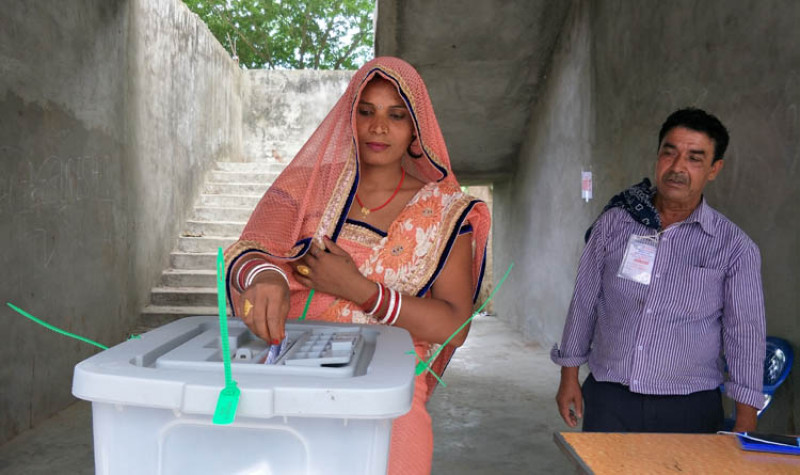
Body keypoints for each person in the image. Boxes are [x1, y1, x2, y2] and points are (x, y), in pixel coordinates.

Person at [224, 56, 491, 474]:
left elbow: (454, 325)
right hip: (289, 381)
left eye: (396, 115)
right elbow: (248, 250)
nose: (378, 126)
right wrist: (265, 274)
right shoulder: (305, 189)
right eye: (365, 111)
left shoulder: (446, 212)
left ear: (416, 128)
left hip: (389, 397)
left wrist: (357, 288)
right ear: (349, 117)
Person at [551, 108, 766, 434]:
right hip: (610, 397)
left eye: (695, 158)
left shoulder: (734, 247)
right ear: (657, 157)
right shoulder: (614, 224)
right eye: (670, 153)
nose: (678, 167)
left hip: (690, 407)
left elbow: (744, 336)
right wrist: (569, 375)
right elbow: (584, 301)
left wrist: (745, 419)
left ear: (714, 169)